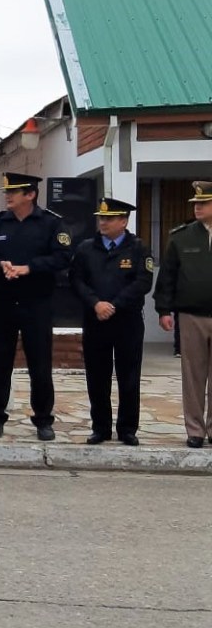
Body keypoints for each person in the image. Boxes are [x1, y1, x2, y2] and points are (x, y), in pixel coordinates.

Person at [0, 173, 72, 441]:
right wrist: (0, 265)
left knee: (40, 364)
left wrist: (30, 268)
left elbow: (63, 257)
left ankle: (43, 420)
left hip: (36, 303)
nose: (7, 196)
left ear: (30, 195)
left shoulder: (51, 223)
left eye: (14, 192)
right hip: (3, 303)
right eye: (7, 191)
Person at [69, 198, 153, 446]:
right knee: (97, 377)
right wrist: (96, 303)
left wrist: (114, 305)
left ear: (123, 221)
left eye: (109, 218)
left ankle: (127, 428)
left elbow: (142, 282)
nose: (103, 222)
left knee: (129, 376)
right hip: (96, 320)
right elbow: (76, 280)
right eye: (101, 218)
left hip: (127, 321)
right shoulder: (86, 248)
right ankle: (100, 427)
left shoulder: (138, 248)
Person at [154, 180, 212, 448]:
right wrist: (163, 309)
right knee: (193, 375)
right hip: (191, 315)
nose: (197, 207)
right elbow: (167, 276)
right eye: (195, 203)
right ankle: (195, 430)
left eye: (203, 203)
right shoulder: (182, 236)